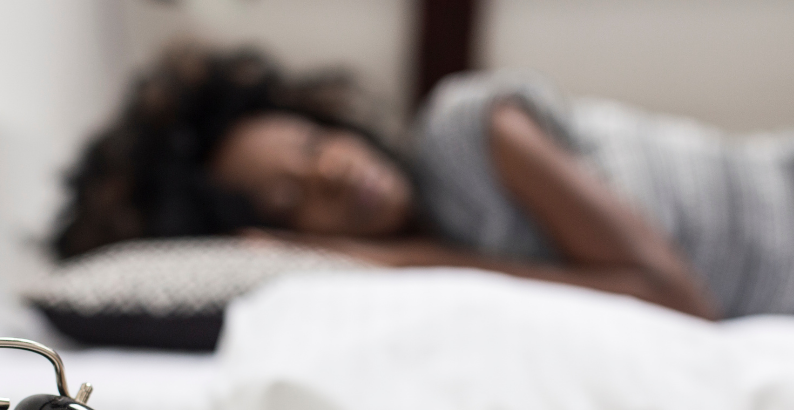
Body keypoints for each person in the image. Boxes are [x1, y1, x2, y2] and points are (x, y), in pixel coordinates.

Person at [52, 45, 794, 320]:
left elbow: (674, 300)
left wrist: (405, 261)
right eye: (293, 197)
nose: (336, 171)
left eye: (315, 144)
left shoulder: (469, 130)